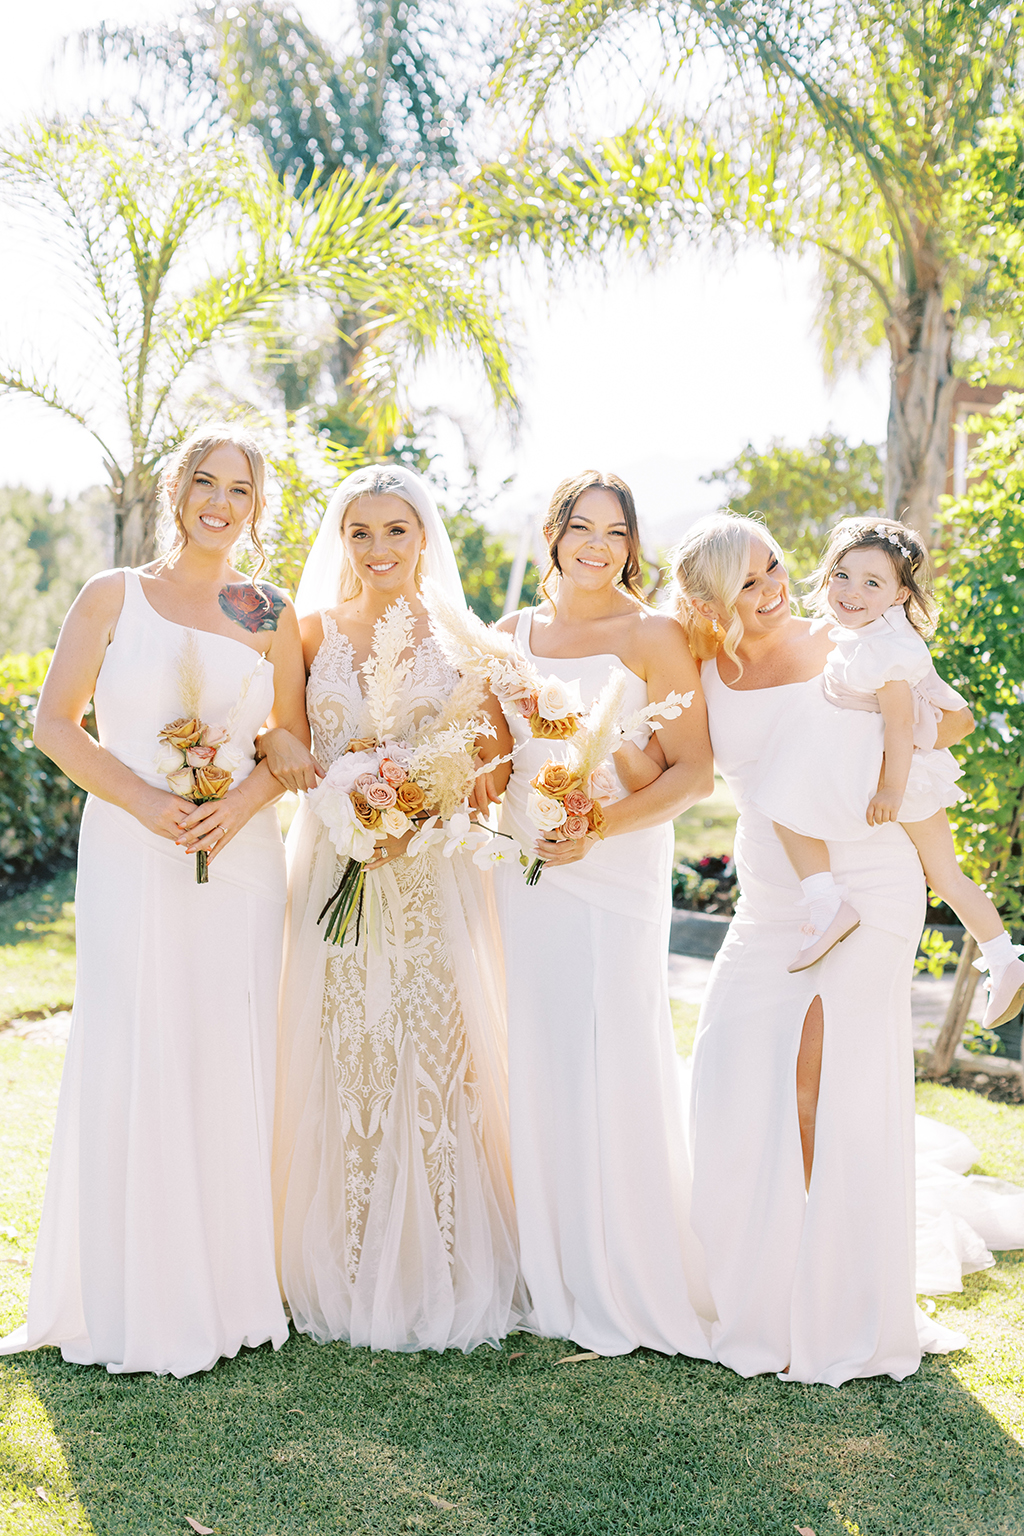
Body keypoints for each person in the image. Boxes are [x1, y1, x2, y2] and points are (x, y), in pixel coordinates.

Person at [668, 510, 1024, 1386]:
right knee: (731, 1068)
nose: (772, 591)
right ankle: (749, 1282)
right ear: (711, 596)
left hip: (870, 873)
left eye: (776, 569)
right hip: (773, 891)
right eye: (746, 583)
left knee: (829, 1082)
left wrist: (892, 745)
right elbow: (678, 759)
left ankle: (836, 1300)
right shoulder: (701, 663)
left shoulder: (850, 635)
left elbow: (954, 720)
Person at [0, 424, 309, 1377]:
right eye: (206, 482)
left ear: (259, 508)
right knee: (137, 1039)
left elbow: (290, 741)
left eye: (242, 488)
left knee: (225, 1044)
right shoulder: (111, 596)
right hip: (133, 848)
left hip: (239, 857)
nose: (222, 500)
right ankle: (121, 1288)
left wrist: (233, 812)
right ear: (178, 491)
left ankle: (221, 1288)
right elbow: (56, 723)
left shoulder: (271, 610)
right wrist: (146, 802)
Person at [264, 465, 523, 1354]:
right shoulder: (305, 631)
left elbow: (485, 760)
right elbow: (281, 733)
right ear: (342, 541)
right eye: (360, 533)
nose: (377, 551)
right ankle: (333, 1252)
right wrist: (336, 784)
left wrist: (419, 805)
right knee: (338, 1042)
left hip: (430, 875)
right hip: (332, 863)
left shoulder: (465, 643)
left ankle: (438, 1255)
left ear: (424, 539)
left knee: (429, 1040)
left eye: (395, 533)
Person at [486, 469, 716, 1358]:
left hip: (613, 867)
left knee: (612, 1042)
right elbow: (500, 753)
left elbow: (693, 770)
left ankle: (622, 1262)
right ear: (554, 534)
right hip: (523, 863)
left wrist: (598, 826)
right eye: (581, 527)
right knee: (539, 1050)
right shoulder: (511, 634)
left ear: (631, 543)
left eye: (614, 532)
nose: (596, 545)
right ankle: (549, 1262)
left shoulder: (655, 632)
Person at [747, 517, 1024, 1017]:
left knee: (785, 806)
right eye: (842, 575)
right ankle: (1003, 956)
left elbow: (899, 727)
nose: (852, 591)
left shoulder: (883, 652)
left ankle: (827, 903)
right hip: (887, 764)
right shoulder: (867, 631)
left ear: (899, 596)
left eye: (872, 583)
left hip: (901, 774)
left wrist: (890, 791)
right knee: (945, 874)